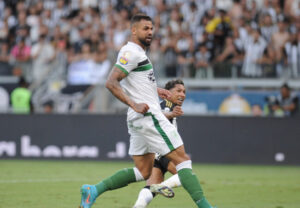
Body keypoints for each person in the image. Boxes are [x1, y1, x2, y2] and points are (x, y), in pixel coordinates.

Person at [79, 13, 215, 208]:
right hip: (147, 115)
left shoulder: (138, 54)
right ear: (133, 30)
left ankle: (94, 190)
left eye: (152, 28)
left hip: (137, 118)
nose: (150, 32)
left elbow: (134, 82)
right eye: (145, 28)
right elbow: (111, 82)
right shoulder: (131, 52)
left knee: (144, 171)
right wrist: (134, 104)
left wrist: (155, 90)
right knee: (183, 161)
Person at [133, 79, 186, 208]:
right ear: (168, 93)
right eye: (178, 91)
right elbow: (156, 116)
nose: (182, 94)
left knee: (149, 189)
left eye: (184, 92)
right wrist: (171, 113)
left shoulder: (165, 105)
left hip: (155, 153)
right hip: (165, 151)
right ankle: (161, 187)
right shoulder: (168, 103)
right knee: (186, 176)